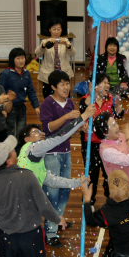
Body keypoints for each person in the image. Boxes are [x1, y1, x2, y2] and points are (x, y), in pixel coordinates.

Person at [15, 102, 96, 247]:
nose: (41, 133)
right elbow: (60, 136)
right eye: (35, 132)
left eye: (40, 131)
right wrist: (84, 116)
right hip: (21, 207)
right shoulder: (32, 148)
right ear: (26, 139)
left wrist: (77, 182)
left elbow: (52, 180)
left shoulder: (35, 162)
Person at [38, 70, 81, 246]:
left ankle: (58, 220)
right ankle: (50, 232)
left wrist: (80, 127)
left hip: (66, 152)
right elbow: (48, 128)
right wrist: (67, 116)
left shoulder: (69, 102)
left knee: (64, 190)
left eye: (67, 83)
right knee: (52, 193)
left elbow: (70, 128)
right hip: (51, 154)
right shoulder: (48, 103)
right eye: (62, 84)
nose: (66, 87)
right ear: (53, 87)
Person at [79, 73, 125, 205]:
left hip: (108, 144)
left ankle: (111, 201)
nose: (107, 85)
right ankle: (89, 203)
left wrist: (118, 105)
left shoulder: (111, 99)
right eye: (103, 83)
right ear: (93, 85)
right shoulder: (86, 100)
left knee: (109, 174)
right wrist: (90, 94)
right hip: (90, 145)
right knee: (91, 175)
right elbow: (82, 114)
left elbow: (119, 114)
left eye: (108, 83)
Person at [0, 47, 41, 138]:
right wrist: (2, 109)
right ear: (12, 60)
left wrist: (36, 106)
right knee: (11, 135)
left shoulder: (26, 73)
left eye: (22, 58)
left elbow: (31, 90)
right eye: (18, 58)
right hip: (10, 109)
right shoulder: (6, 74)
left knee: (21, 134)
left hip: (22, 108)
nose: (21, 61)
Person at [35, 17, 75, 98]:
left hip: (63, 74)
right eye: (54, 29)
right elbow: (37, 53)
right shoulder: (45, 41)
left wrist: (68, 45)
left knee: (65, 98)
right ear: (49, 29)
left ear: (61, 30)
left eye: (58, 29)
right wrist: (43, 46)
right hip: (48, 75)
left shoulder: (65, 41)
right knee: (48, 98)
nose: (56, 32)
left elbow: (72, 53)